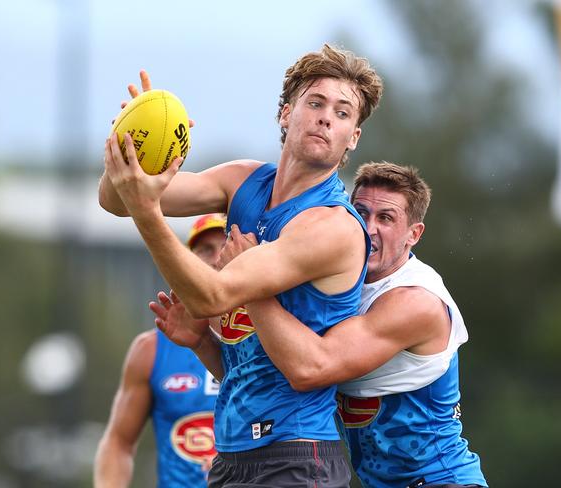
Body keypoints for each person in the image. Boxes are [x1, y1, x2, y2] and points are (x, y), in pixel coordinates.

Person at [100, 44, 383, 487]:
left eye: (343, 113)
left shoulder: (333, 227)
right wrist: (130, 144)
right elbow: (118, 201)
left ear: (353, 137)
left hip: (296, 454)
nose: (328, 117)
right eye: (316, 102)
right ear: (286, 114)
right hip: (232, 453)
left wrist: (147, 212)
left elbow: (210, 295)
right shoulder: (243, 180)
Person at [215, 162, 488, 488]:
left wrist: (252, 284)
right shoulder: (337, 287)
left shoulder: (416, 301)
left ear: (413, 234)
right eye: (361, 212)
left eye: (386, 218)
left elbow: (310, 369)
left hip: (442, 480)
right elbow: (277, 379)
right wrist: (199, 342)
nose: (369, 228)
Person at [93, 214, 227, 488]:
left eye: (225, 247)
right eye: (205, 249)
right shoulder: (151, 350)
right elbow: (118, 442)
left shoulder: (271, 341)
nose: (215, 259)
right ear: (188, 262)